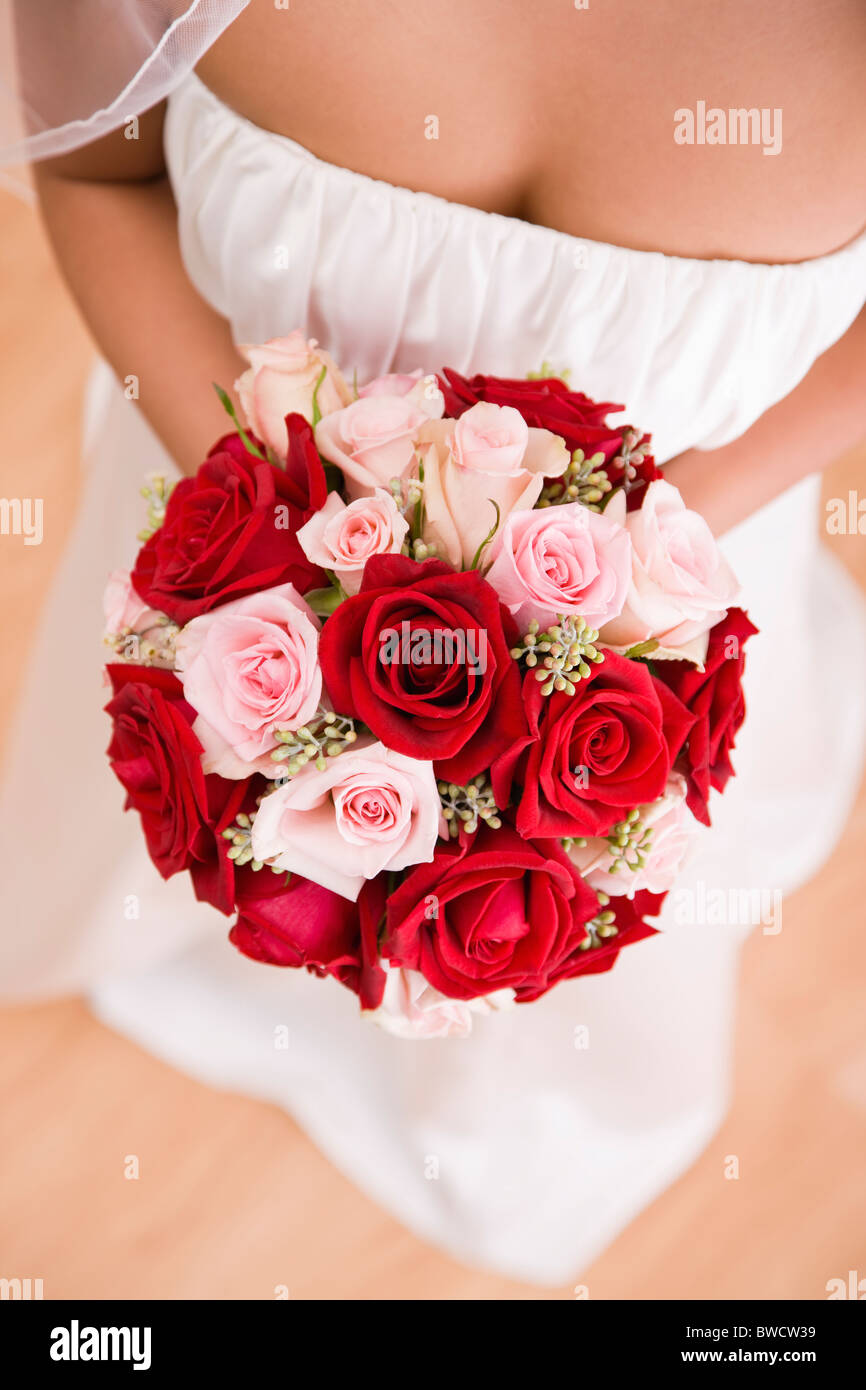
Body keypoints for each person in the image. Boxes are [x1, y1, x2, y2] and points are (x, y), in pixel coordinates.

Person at [1, 0, 865, 1282]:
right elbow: (95, 172)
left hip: (678, 581)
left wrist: (633, 562)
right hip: (227, 487)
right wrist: (266, 551)